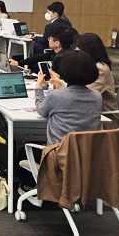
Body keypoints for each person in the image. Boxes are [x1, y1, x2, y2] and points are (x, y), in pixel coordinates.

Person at [17, 51, 102, 194]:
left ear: (64, 71)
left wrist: (38, 88)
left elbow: (41, 109)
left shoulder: (56, 96)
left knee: (23, 151)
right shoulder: (97, 96)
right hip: (87, 156)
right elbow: (75, 98)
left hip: (59, 157)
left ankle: (32, 186)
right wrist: (63, 86)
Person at [73, 33, 119, 125]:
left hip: (104, 119)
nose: (76, 50)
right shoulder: (92, 64)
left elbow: (85, 95)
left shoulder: (99, 69)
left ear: (88, 50)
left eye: (79, 48)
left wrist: (62, 86)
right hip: (91, 113)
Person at [9, 26, 74, 72]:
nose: (48, 40)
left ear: (57, 43)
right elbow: (39, 57)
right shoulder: (62, 51)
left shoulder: (60, 58)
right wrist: (18, 63)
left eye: (50, 39)